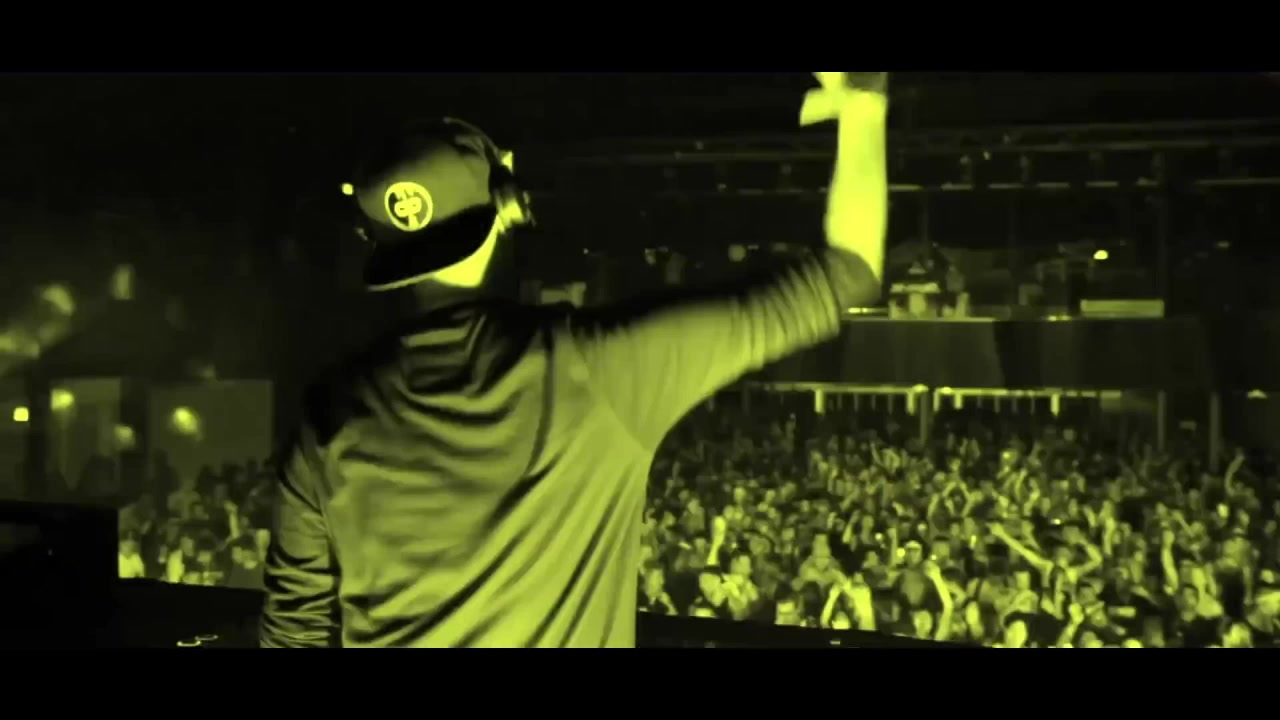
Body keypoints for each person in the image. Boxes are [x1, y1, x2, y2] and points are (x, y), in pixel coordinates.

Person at [259, 72, 890, 648]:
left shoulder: (326, 414)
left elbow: (292, 634)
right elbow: (851, 270)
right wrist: (864, 104)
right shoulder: (600, 367)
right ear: (507, 208)